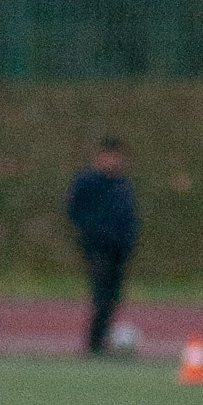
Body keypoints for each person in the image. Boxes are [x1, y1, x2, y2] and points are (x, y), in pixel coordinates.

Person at [65, 140, 138, 356]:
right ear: (100, 156)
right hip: (97, 247)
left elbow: (128, 215)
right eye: (110, 156)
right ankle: (94, 343)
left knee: (113, 295)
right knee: (102, 293)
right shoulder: (86, 180)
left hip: (119, 248)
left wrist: (128, 239)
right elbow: (73, 208)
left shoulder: (120, 182)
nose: (113, 161)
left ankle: (102, 340)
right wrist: (93, 231)